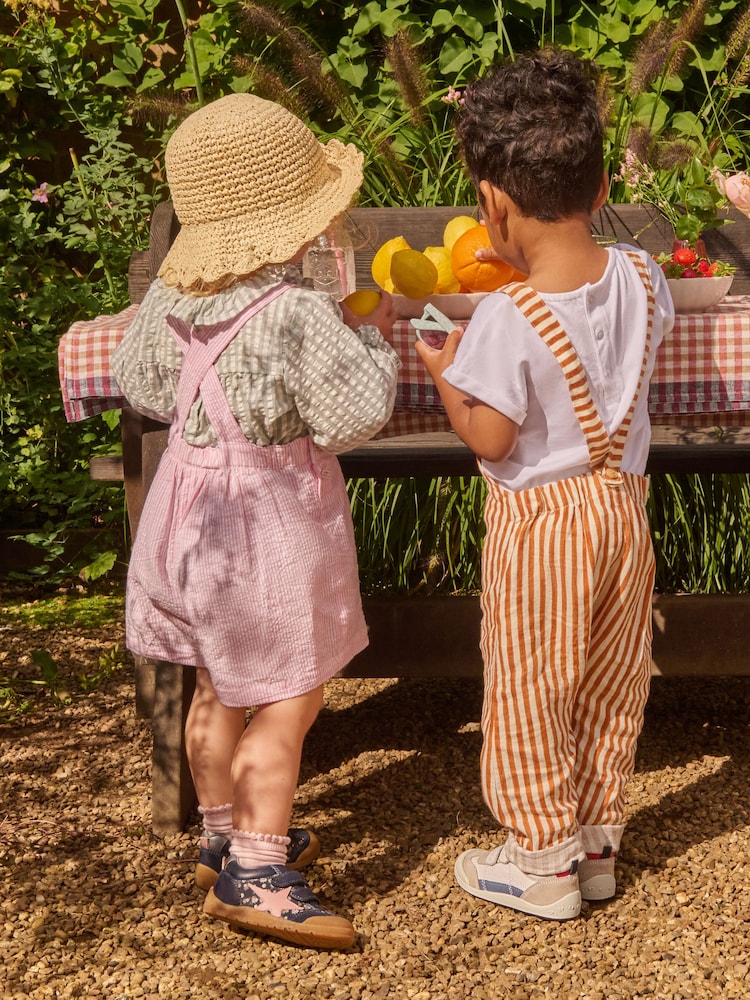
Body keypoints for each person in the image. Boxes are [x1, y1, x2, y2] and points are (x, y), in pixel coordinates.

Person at [111, 93, 399, 950]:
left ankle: (220, 834)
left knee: (215, 682)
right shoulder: (297, 312)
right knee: (285, 694)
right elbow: (353, 415)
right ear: (293, 221)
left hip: (185, 523)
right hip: (260, 533)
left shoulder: (171, 296)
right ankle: (258, 872)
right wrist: (374, 338)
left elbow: (141, 383)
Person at [416, 48, 674, 921]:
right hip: (623, 514)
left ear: (491, 203)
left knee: (533, 686)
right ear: (601, 186)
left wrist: (444, 369)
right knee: (610, 682)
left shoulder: (505, 314)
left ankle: (540, 861)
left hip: (542, 528)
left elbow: (491, 437)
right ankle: (596, 845)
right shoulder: (645, 277)